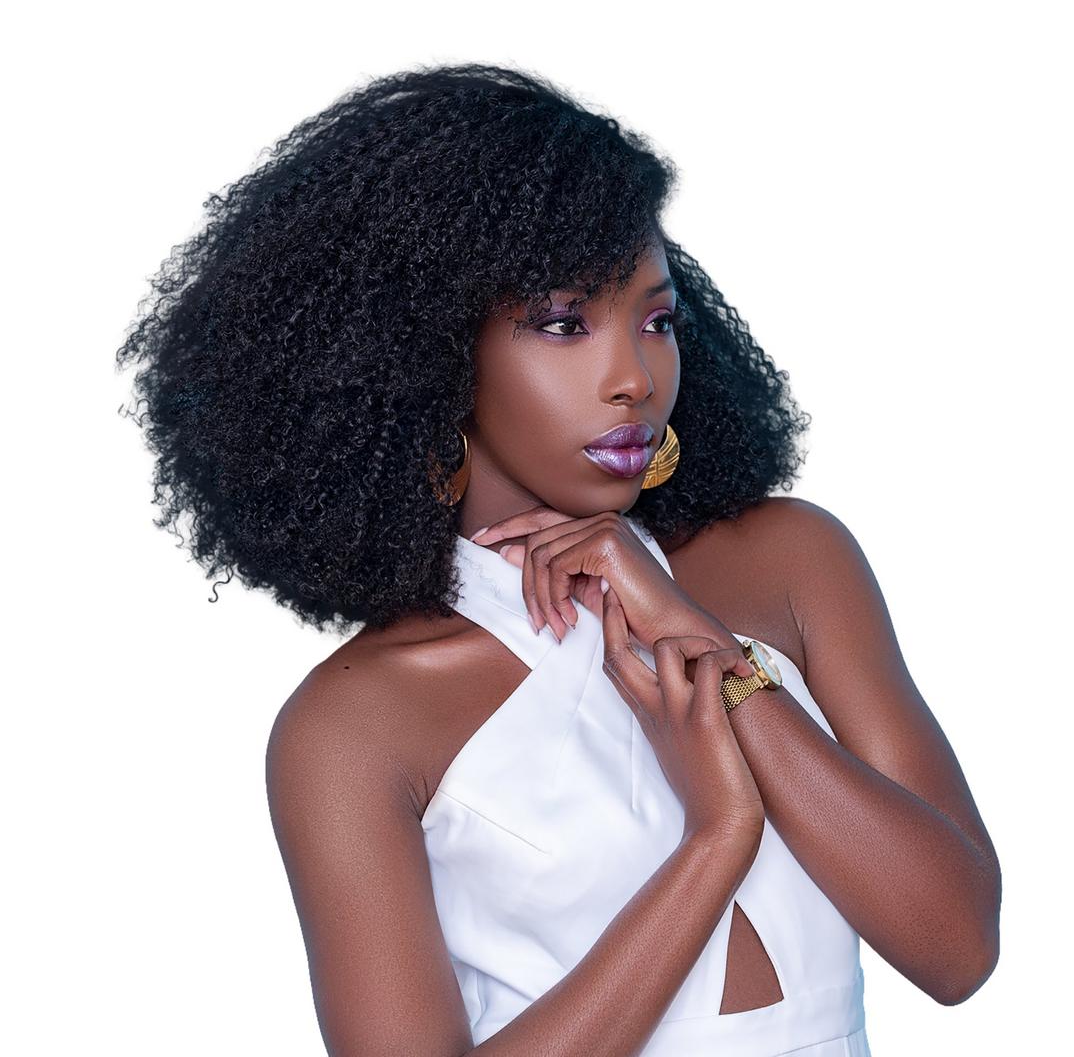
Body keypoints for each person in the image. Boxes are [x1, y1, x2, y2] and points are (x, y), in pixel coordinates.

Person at [114, 62, 1001, 1056]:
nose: (633, 378)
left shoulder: (790, 562)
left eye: (656, 321)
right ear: (428, 354)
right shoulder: (356, 725)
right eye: (564, 323)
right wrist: (715, 839)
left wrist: (705, 649)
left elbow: (957, 950)